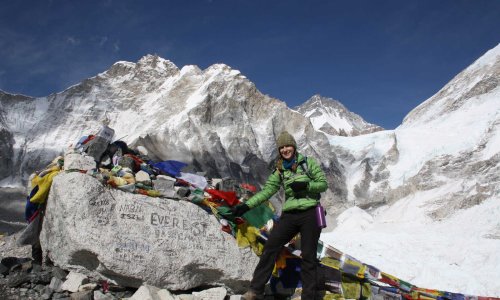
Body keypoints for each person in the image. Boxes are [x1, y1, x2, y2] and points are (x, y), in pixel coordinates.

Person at [231, 131, 328, 300]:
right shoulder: (280, 170)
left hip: (310, 213)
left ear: (294, 147)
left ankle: (309, 297)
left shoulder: (308, 164)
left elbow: (323, 184)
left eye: (288, 146)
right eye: (281, 147)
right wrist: (246, 206)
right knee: (271, 247)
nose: (285, 149)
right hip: (289, 215)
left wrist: (306, 185)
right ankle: (255, 290)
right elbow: (267, 191)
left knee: (308, 255)